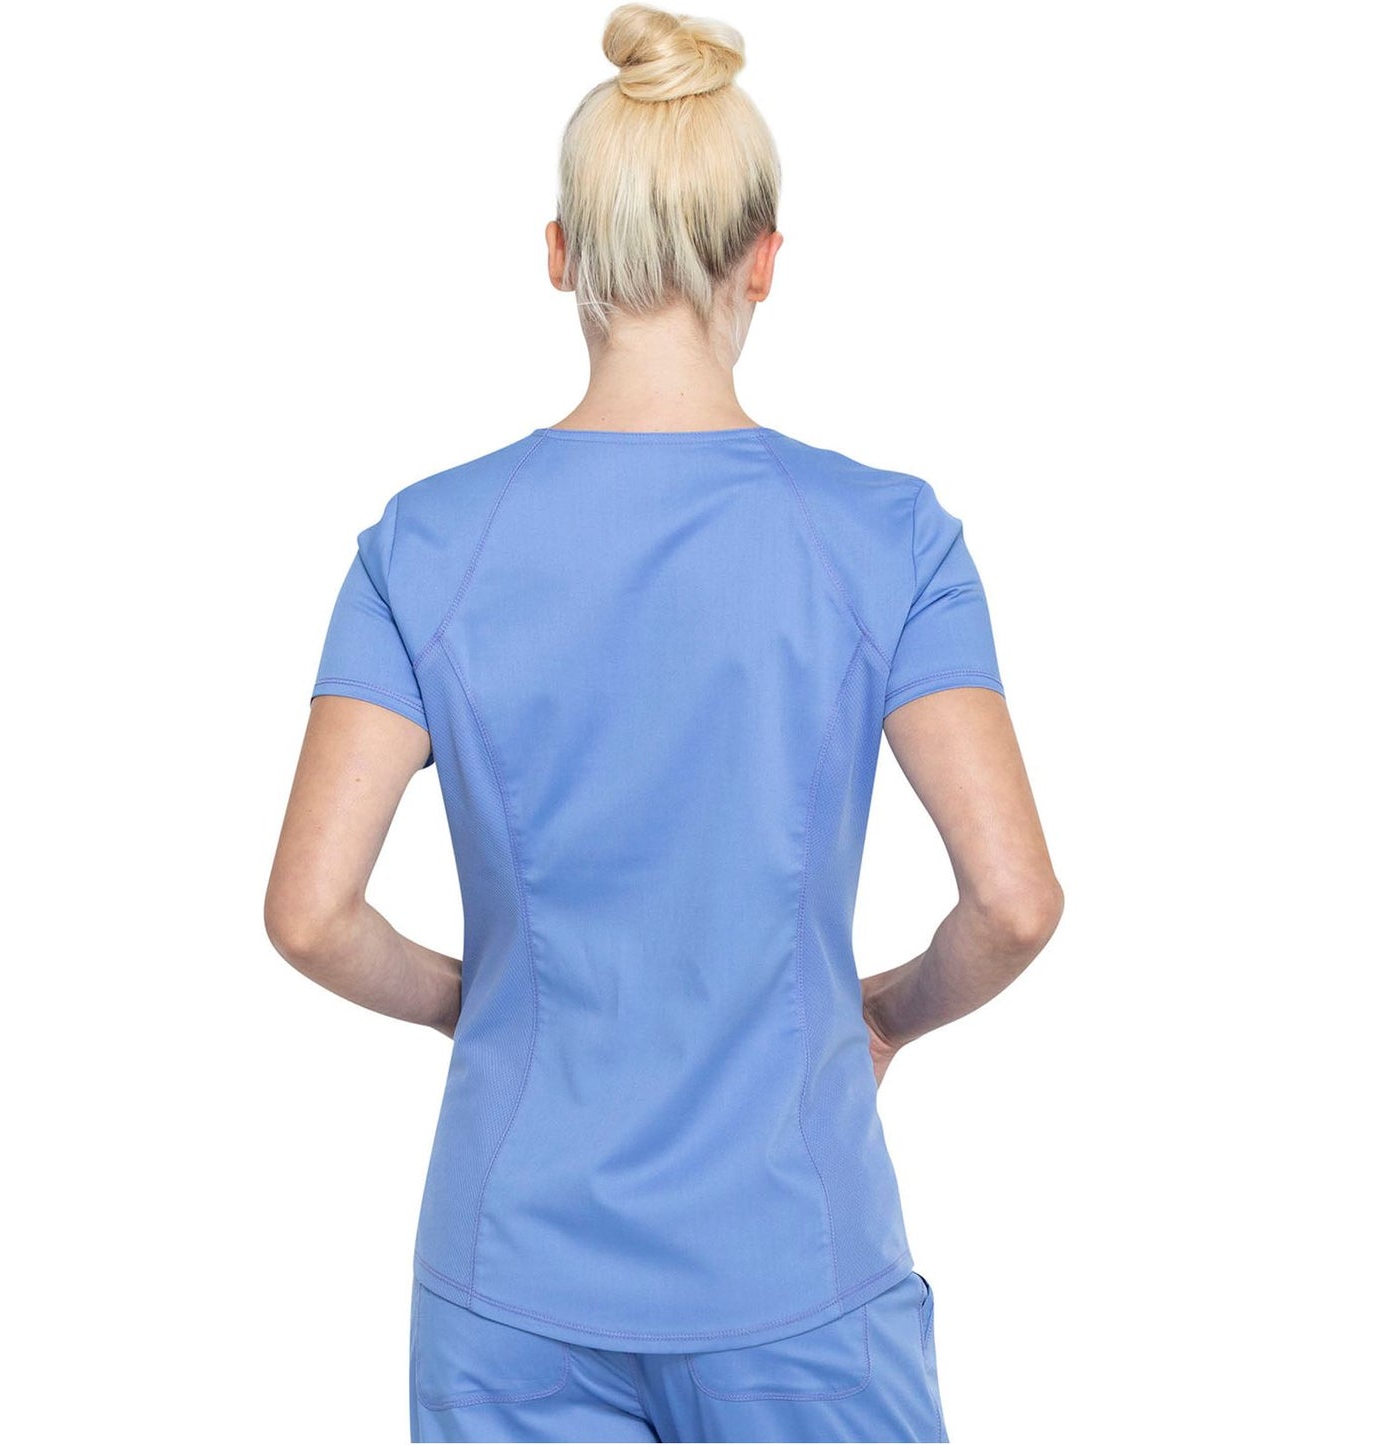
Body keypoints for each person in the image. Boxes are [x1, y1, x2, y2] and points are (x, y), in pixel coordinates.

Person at [264, 5, 1064, 1441]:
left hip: (510, 1278)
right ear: (764, 259)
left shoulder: (424, 546)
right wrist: (884, 1013)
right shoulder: (887, 539)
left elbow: (312, 915)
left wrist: (475, 1001)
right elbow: (1011, 903)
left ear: (559, 254)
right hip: (797, 1273)